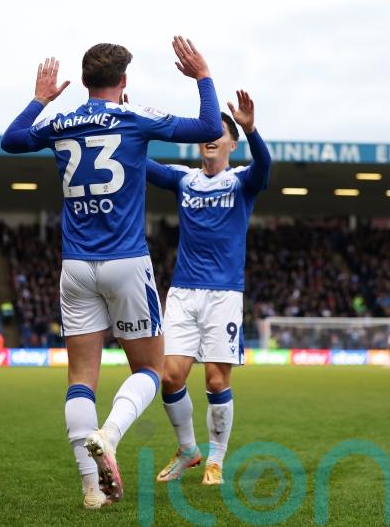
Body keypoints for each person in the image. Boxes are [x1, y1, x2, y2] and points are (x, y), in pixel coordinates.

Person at [1, 37, 222, 509]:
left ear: (82, 82)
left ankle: (90, 487)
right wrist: (202, 75)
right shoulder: (134, 116)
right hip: (125, 262)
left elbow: (12, 140)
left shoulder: (60, 123)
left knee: (80, 377)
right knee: (149, 368)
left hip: (75, 265)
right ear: (123, 82)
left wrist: (40, 99)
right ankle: (110, 434)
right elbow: (207, 125)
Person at [145, 90, 271, 485]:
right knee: (170, 376)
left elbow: (264, 168)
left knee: (216, 380)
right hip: (183, 292)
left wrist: (253, 131)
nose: (211, 136)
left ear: (232, 143)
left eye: (221, 132)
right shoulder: (184, 179)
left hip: (224, 295)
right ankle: (188, 450)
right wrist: (127, 125)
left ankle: (216, 458)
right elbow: (142, 165)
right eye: (207, 132)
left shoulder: (241, 182)